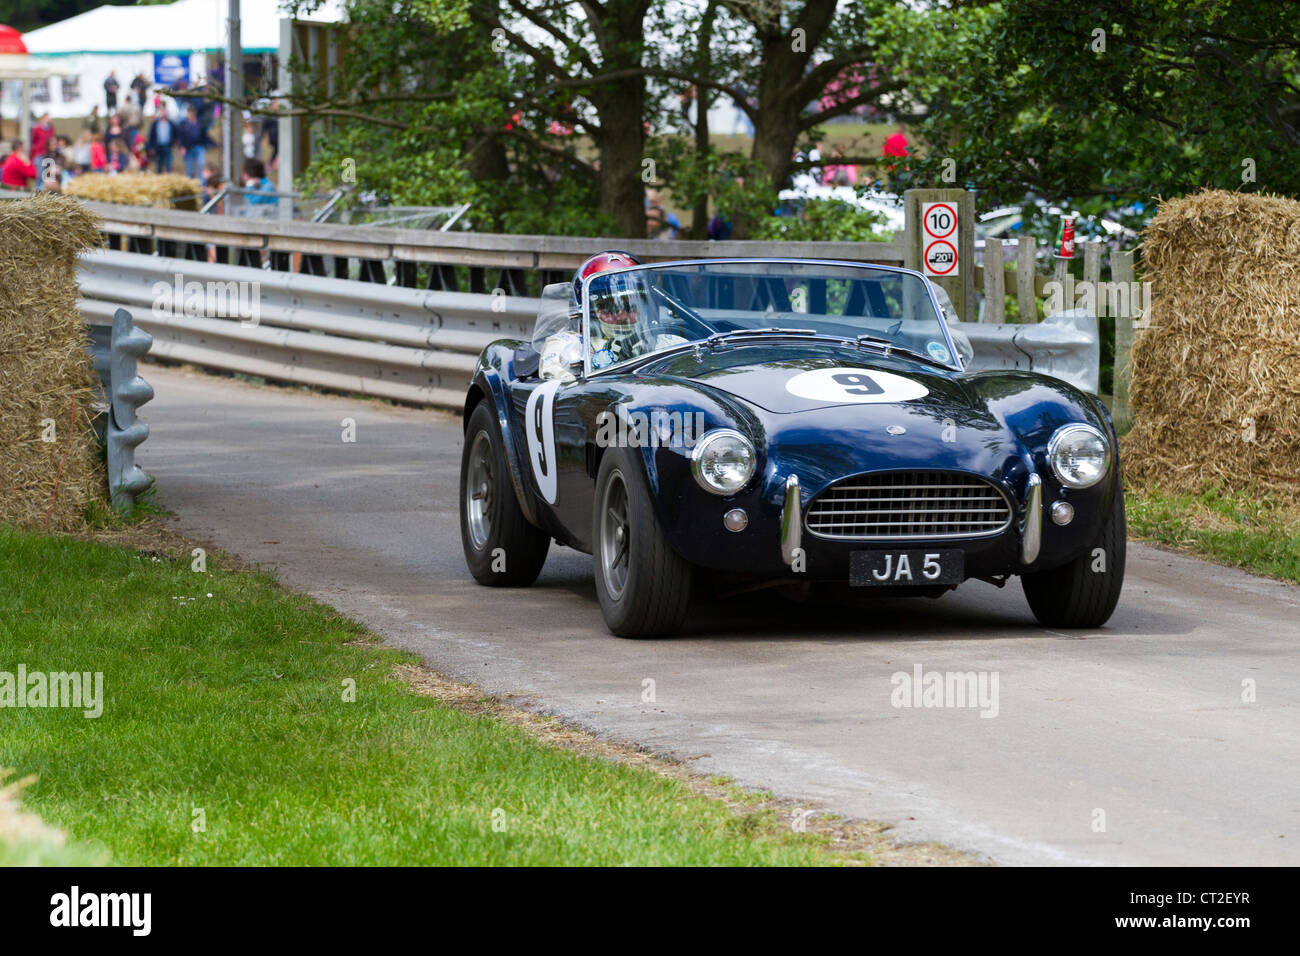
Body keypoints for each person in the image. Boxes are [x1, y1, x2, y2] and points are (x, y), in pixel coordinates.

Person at [177, 106, 212, 180]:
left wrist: (209, 144)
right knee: (189, 168)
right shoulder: (183, 124)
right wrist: (181, 147)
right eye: (189, 113)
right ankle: (191, 183)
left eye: (192, 113)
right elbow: (181, 137)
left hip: (199, 146)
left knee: (201, 165)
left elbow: (204, 135)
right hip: (188, 147)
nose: (191, 115)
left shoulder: (200, 123)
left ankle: (202, 184)